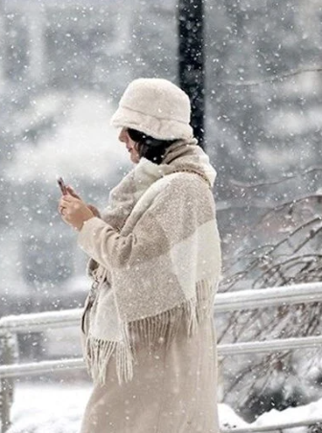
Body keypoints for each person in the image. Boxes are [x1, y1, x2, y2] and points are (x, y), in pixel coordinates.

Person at [58, 78, 222, 433]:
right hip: (149, 353)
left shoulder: (182, 188)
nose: (121, 139)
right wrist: (90, 221)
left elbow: (132, 259)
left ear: (150, 132)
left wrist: (88, 225)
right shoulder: (162, 182)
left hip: (157, 357)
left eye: (128, 130)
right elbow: (142, 251)